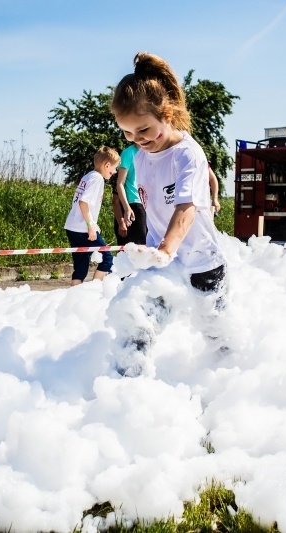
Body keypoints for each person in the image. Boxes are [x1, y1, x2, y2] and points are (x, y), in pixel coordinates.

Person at [109, 52, 228, 376]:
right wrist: (154, 251)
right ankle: (125, 383)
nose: (137, 140)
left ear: (168, 114)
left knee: (217, 333)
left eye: (144, 130)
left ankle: (226, 379)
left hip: (202, 262)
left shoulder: (188, 155)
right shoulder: (140, 156)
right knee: (139, 319)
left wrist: (166, 248)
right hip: (164, 263)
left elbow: (185, 208)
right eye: (127, 133)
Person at [64, 146, 119, 285]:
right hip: (83, 228)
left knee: (81, 266)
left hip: (72, 227)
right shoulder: (97, 179)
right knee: (107, 259)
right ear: (107, 165)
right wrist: (90, 225)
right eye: (114, 168)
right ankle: (95, 290)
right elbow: (83, 202)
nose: (114, 172)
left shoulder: (88, 176)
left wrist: (92, 223)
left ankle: (75, 294)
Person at [113, 143, 147, 245]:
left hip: (146, 204)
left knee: (148, 246)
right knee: (139, 247)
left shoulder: (149, 152)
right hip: (134, 204)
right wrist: (127, 208)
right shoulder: (128, 153)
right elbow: (120, 184)